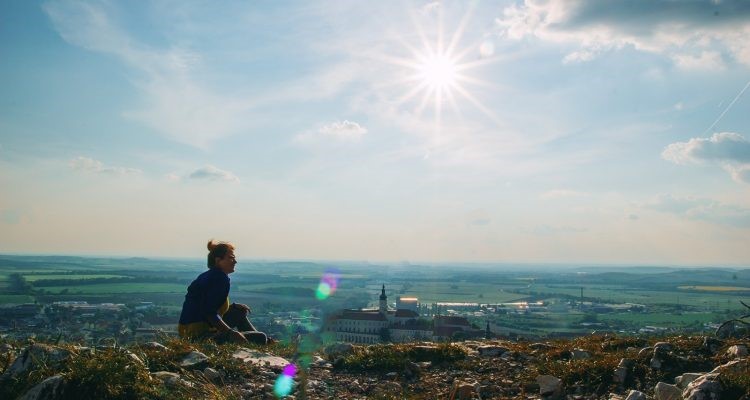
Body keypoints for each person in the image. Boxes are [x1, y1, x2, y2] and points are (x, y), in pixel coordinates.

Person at [178, 240, 271, 345]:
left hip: (191, 331)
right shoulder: (219, 278)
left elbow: (206, 306)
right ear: (218, 260)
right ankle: (264, 343)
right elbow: (209, 312)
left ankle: (265, 342)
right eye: (231, 258)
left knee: (238, 312)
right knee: (261, 337)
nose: (235, 261)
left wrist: (232, 307)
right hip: (198, 337)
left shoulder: (212, 275)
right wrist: (230, 333)